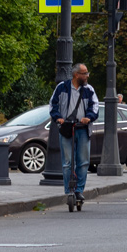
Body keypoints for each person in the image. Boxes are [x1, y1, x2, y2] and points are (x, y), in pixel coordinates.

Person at [50, 63, 99, 210]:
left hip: (82, 129)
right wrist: (58, 118)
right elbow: (53, 105)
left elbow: (95, 106)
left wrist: (88, 117)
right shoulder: (62, 87)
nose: (87, 76)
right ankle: (69, 190)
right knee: (67, 162)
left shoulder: (89, 90)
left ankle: (79, 190)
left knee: (83, 162)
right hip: (67, 128)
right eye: (84, 73)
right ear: (76, 75)